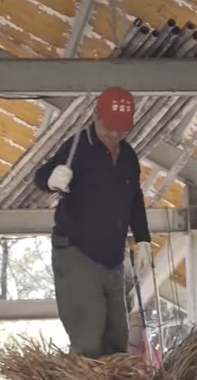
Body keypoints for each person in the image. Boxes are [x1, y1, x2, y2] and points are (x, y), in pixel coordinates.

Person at [33, 86, 153, 358]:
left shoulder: (128, 156)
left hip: (113, 257)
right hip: (77, 250)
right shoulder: (78, 147)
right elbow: (40, 176)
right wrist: (53, 179)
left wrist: (143, 238)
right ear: (96, 115)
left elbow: (134, 197)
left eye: (122, 129)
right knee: (89, 332)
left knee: (117, 336)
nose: (114, 134)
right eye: (109, 127)